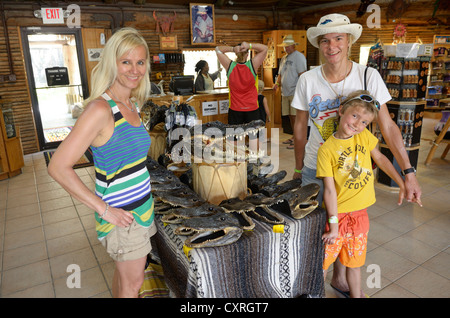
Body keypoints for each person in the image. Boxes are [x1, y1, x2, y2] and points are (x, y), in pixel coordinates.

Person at [291, 13, 423, 296]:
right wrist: (299, 167)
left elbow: (388, 127)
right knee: (320, 233)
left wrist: (408, 173)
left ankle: (340, 280)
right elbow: (300, 127)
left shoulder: (368, 76)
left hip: (352, 172)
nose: (332, 46)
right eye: (325, 40)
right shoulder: (307, 80)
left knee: (348, 229)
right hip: (317, 167)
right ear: (319, 45)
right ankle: (314, 285)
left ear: (348, 40)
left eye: (338, 38)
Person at [48, 27, 155, 298]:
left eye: (140, 62)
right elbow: (57, 166)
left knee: (125, 278)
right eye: (126, 62)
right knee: (133, 284)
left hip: (141, 209)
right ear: (112, 63)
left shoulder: (131, 104)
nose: (134, 69)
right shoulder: (100, 109)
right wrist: (104, 209)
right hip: (122, 217)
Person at [317, 90, 407, 298]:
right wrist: (333, 226)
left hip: (360, 216)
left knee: (355, 264)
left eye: (365, 122)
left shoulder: (364, 137)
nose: (358, 124)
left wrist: (401, 182)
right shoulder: (327, 150)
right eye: (355, 116)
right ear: (341, 111)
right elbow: (329, 191)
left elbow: (382, 159)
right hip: (336, 216)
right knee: (322, 265)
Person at [215, 41, 268, 125]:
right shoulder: (252, 65)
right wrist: (249, 45)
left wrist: (232, 49)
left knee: (233, 137)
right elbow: (265, 48)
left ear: (236, 54)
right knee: (253, 137)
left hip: (235, 109)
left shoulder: (229, 66)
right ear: (247, 54)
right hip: (252, 108)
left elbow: (217, 49)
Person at [272, 34, 307, 149]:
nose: (285, 48)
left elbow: (302, 76)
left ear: (293, 45)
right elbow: (280, 74)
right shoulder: (284, 58)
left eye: (287, 46)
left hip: (295, 93)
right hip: (285, 93)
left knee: (296, 116)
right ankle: (294, 136)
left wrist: (301, 92)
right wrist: (277, 84)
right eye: (284, 46)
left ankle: (299, 140)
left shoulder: (299, 57)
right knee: (290, 116)